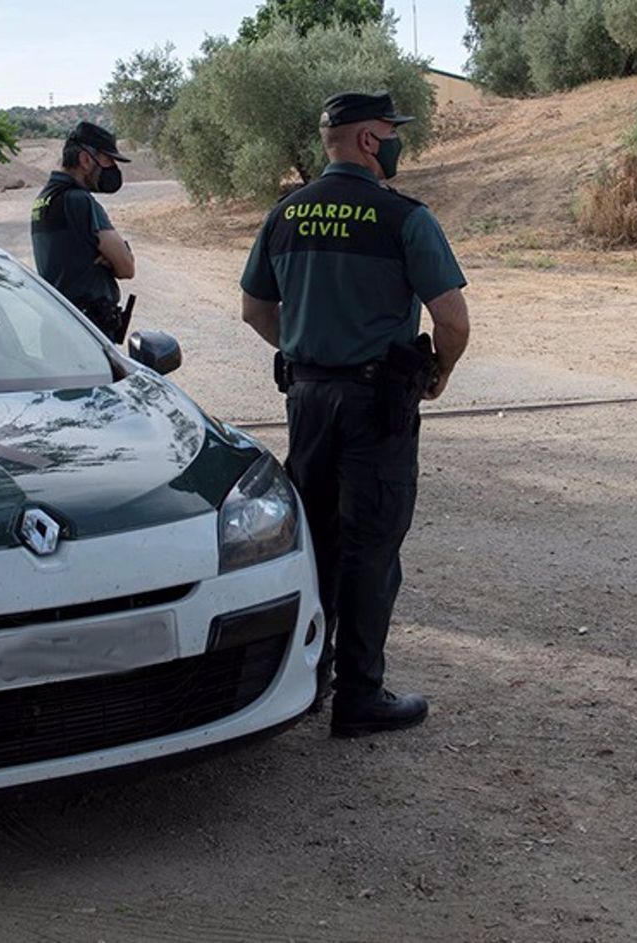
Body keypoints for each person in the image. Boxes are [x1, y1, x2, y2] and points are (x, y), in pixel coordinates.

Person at [239, 91, 472, 739]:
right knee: (370, 546)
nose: (397, 142)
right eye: (392, 132)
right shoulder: (402, 217)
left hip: (307, 401)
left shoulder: (285, 215)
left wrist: (308, 350)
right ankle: (360, 695)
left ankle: (304, 682)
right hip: (377, 408)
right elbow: (451, 319)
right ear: (369, 140)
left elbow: (256, 311)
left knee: (316, 539)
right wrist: (439, 373)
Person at [31, 121, 136, 341]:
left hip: (58, 326)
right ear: (86, 160)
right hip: (86, 332)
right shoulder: (80, 201)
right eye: (108, 161)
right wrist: (116, 257)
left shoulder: (45, 198)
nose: (112, 170)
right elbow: (126, 267)